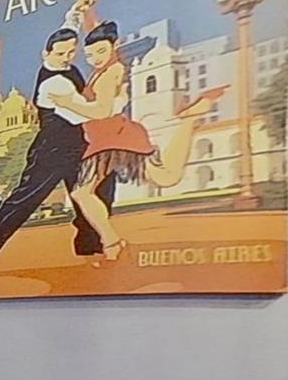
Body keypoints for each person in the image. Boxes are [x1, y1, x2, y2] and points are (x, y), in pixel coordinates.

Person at [47, 18, 224, 263]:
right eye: (89, 55)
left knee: (163, 178)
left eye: (100, 52)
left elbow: (102, 111)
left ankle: (188, 122)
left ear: (113, 47)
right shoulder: (104, 68)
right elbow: (98, 35)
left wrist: (69, 103)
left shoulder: (112, 72)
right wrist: (89, 14)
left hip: (115, 138)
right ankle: (111, 242)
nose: (95, 58)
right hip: (105, 139)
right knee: (85, 192)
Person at [0, 22, 114, 278]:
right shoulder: (53, 84)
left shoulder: (67, 67)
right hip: (50, 151)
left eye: (70, 52)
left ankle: (90, 249)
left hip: (79, 147)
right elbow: (90, 112)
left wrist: (76, 15)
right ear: (46, 54)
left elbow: (69, 29)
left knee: (96, 194)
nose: (66, 58)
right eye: (60, 53)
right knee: (21, 203)